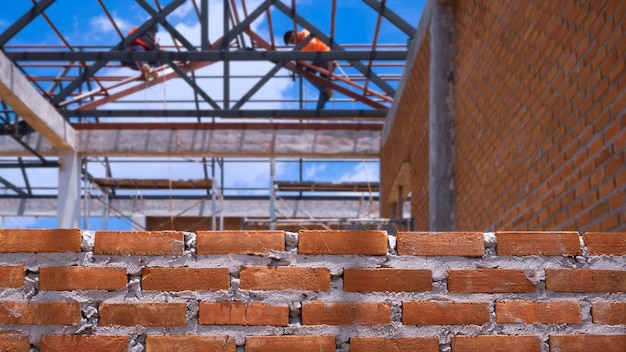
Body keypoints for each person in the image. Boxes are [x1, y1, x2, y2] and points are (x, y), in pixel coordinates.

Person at [283, 29, 334, 110]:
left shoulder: (305, 32)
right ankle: (319, 111)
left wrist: (299, 56)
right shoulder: (301, 46)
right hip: (322, 59)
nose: (294, 43)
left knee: (307, 74)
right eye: (292, 42)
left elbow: (311, 44)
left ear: (295, 33)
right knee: (323, 87)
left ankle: (326, 90)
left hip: (326, 55)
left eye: (293, 40)